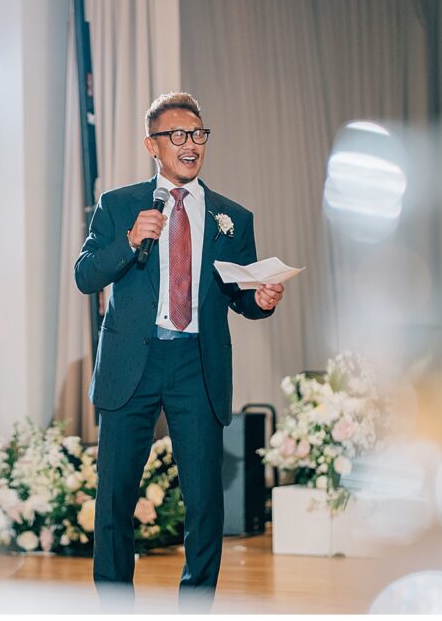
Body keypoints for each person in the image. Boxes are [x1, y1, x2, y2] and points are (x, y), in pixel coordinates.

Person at [74, 92, 284, 609]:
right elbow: (85, 277)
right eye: (177, 135)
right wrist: (127, 242)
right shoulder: (120, 205)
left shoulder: (233, 216)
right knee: (115, 501)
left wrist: (262, 299)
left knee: (205, 506)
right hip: (133, 365)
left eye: (198, 134)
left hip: (197, 365)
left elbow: (241, 296)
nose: (190, 145)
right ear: (153, 145)